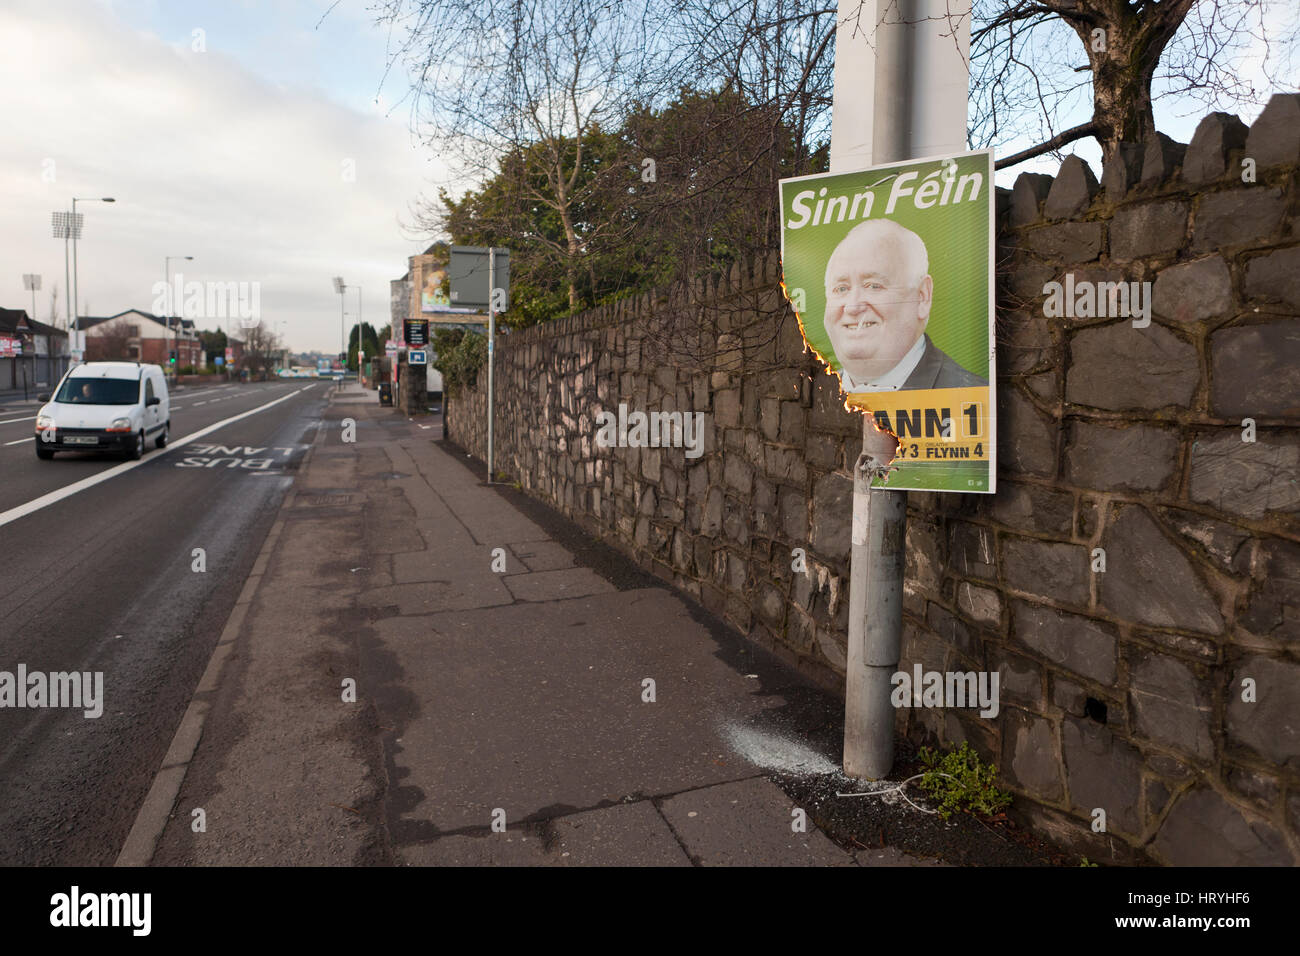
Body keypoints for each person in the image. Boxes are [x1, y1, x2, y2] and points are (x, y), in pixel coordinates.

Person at [822, 219, 986, 392]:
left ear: (922, 296)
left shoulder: (970, 393)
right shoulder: (814, 393)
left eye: (874, 286)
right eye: (841, 288)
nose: (853, 307)